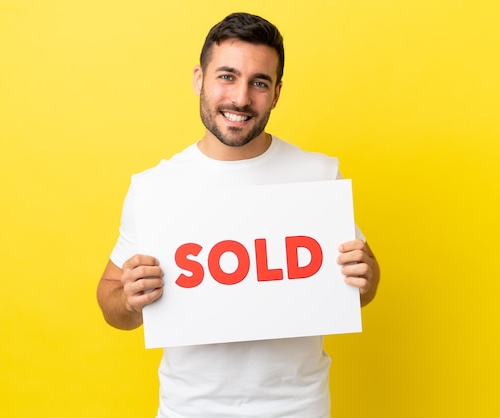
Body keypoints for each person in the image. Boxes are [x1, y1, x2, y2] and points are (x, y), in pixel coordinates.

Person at [97, 12, 380, 418]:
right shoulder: (155, 188)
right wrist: (128, 299)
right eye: (227, 76)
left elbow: (363, 288)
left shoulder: (318, 175)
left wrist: (366, 278)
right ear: (199, 78)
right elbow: (111, 302)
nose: (242, 98)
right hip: (188, 410)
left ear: (277, 93)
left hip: (299, 409)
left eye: (259, 83)